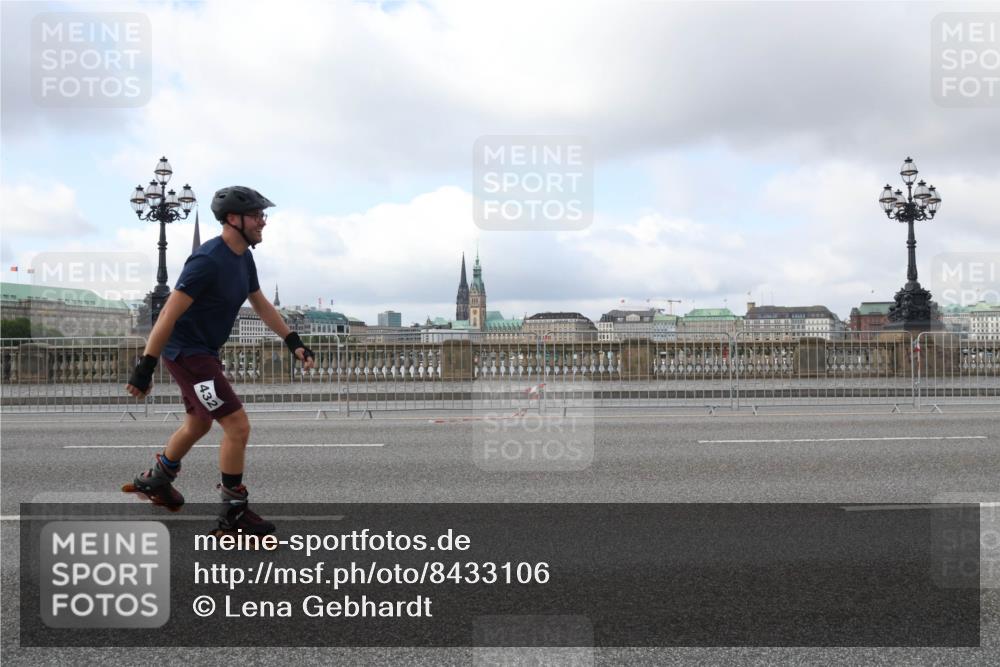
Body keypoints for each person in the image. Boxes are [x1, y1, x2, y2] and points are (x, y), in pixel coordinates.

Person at [124, 186, 314, 535]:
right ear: (233, 219)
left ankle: (157, 479)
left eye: (262, 215)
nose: (263, 223)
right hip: (188, 354)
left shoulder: (243, 257)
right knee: (237, 426)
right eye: (257, 215)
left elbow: (259, 303)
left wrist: (293, 341)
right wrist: (145, 366)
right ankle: (233, 512)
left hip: (202, 353)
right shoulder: (207, 260)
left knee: (199, 424)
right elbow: (167, 314)